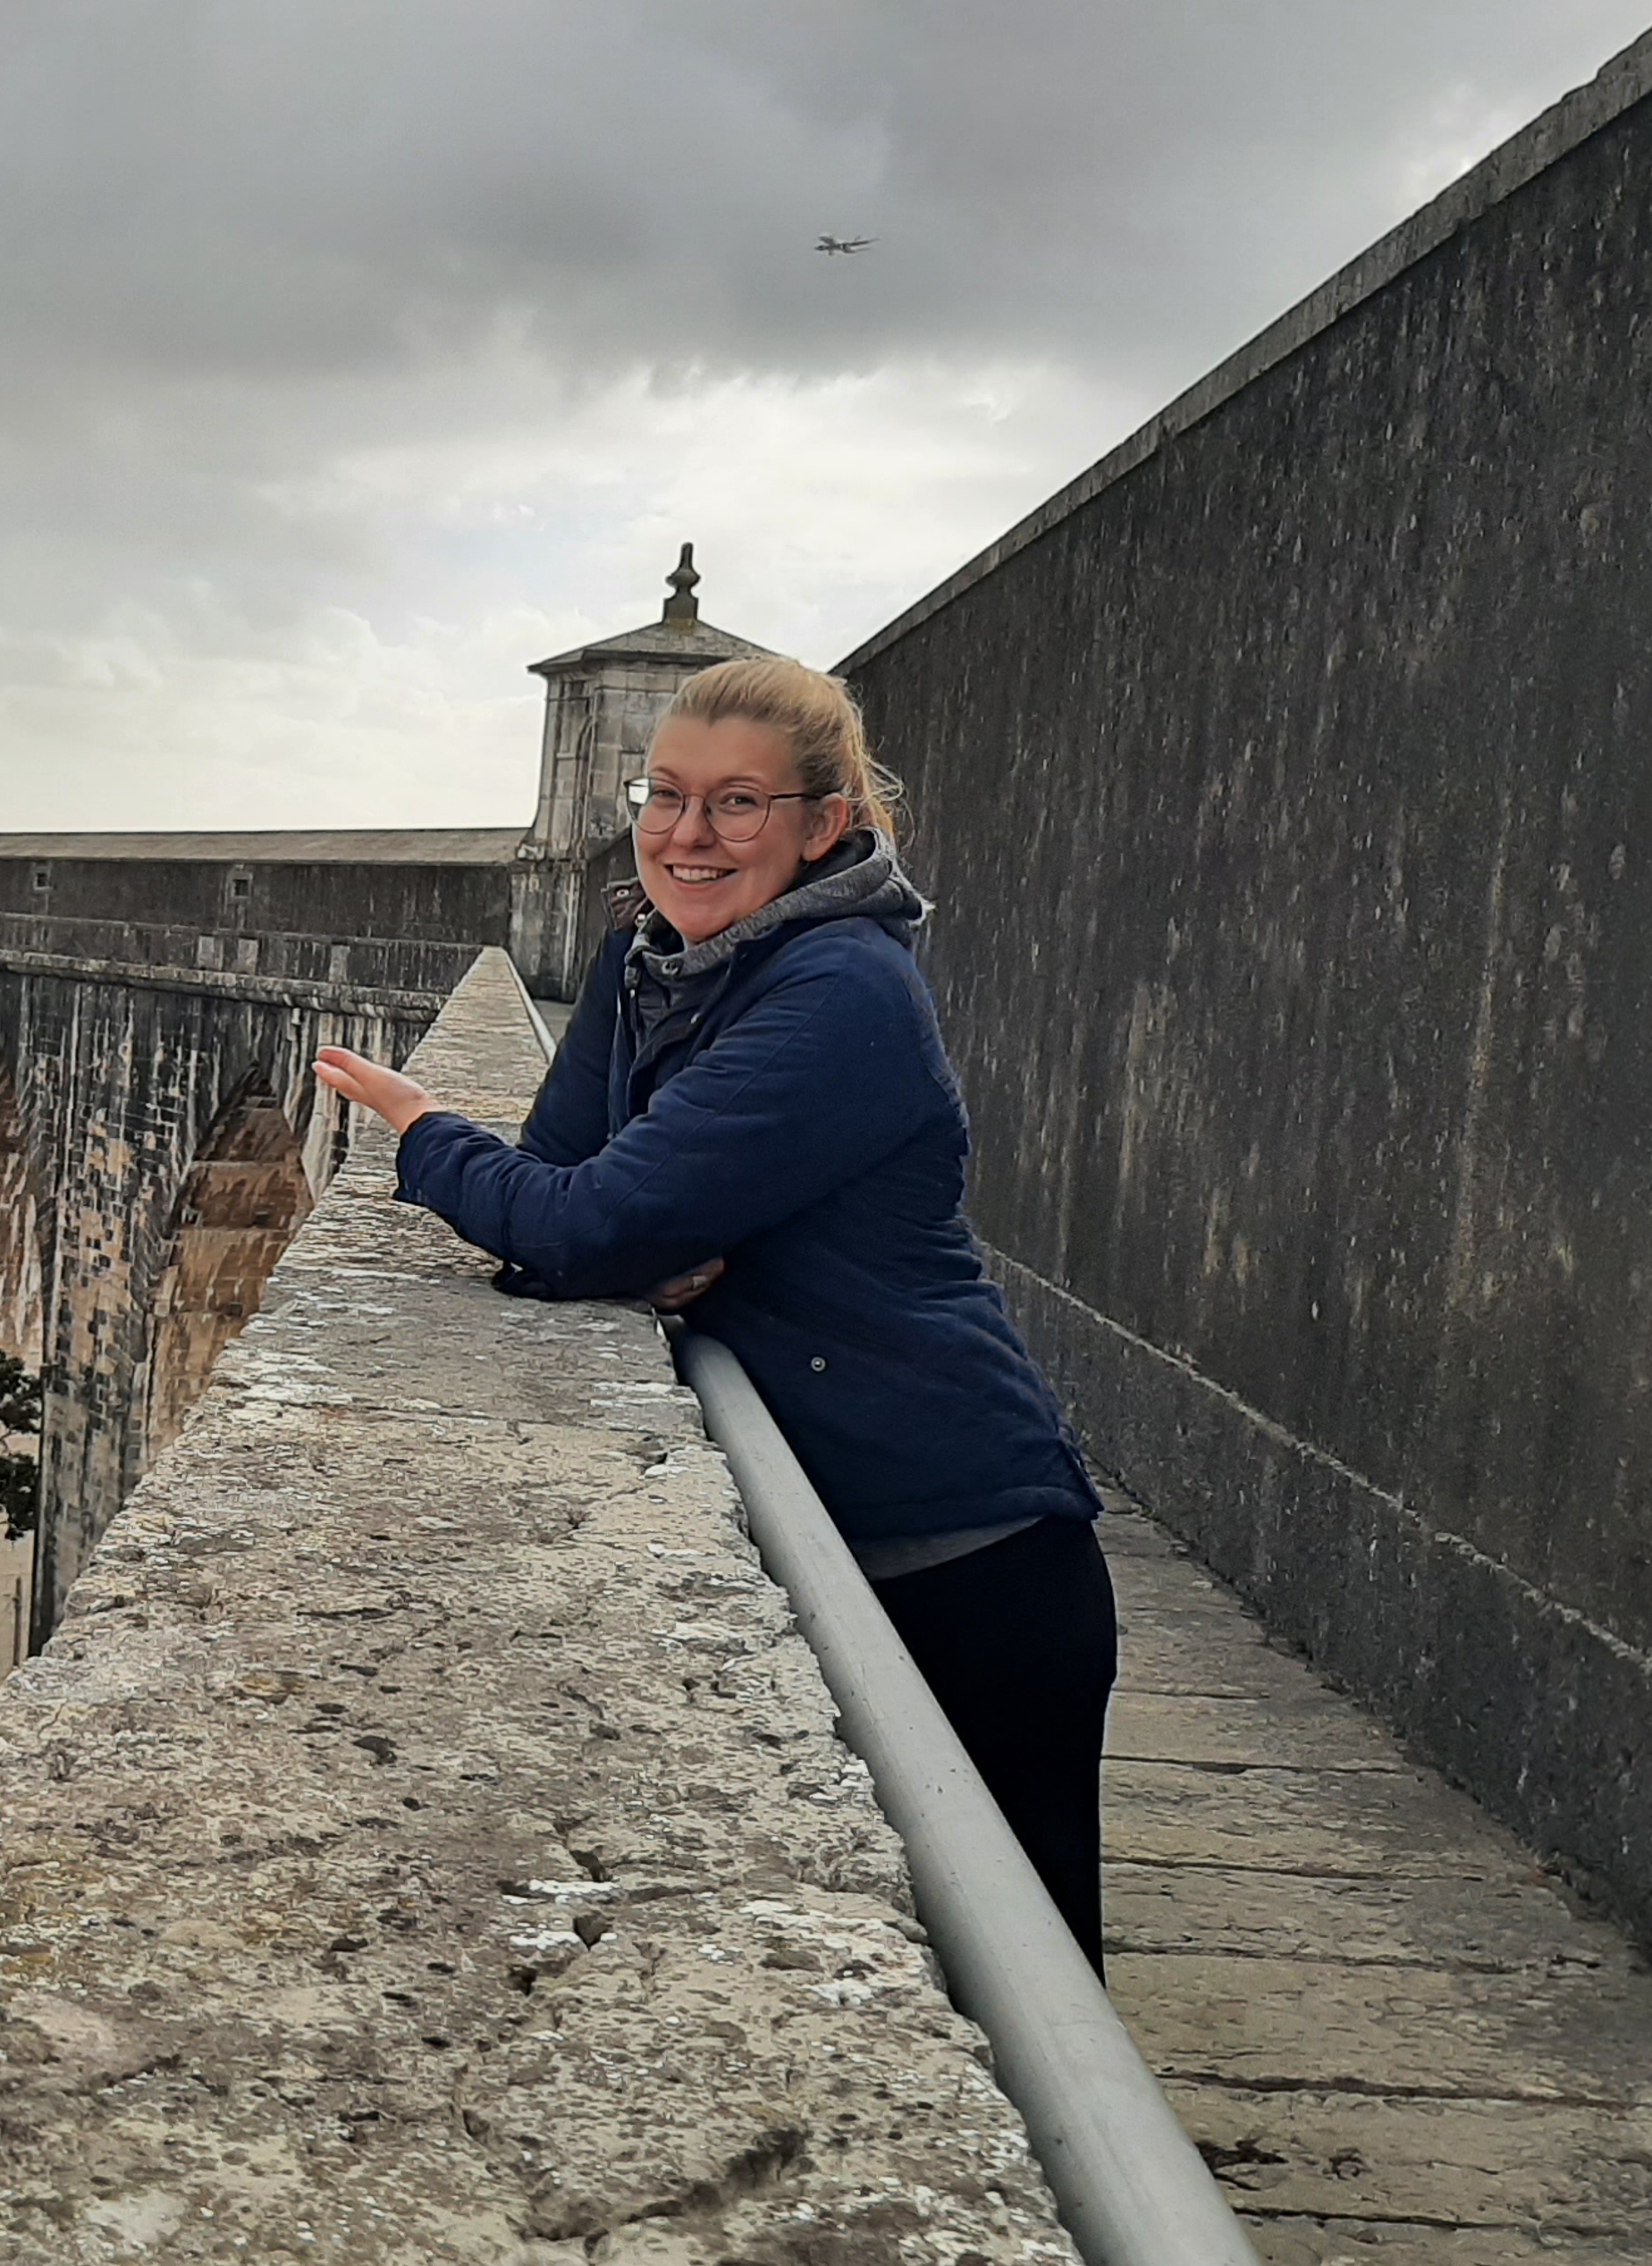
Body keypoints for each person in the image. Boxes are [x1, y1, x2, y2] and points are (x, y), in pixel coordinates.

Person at [313, 656, 1118, 1964]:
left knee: (1026, 1990)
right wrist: (597, 1238)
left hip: (963, 1552)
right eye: (666, 796)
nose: (688, 836)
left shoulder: (844, 988)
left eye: (738, 805)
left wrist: (429, 1139)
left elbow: (572, 1218)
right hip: (824, 1532)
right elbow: (569, 1211)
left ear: (825, 824)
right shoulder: (643, 958)